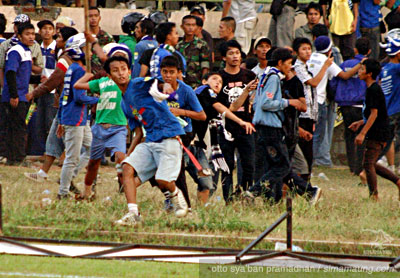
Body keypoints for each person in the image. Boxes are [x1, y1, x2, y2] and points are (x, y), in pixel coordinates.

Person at [114, 56, 188, 226]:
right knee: (127, 168)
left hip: (169, 137)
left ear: (129, 71)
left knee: (163, 181)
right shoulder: (124, 103)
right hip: (150, 141)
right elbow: (138, 132)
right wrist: (128, 155)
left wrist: (166, 86)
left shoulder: (138, 84)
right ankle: (133, 214)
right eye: (115, 70)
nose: (120, 73)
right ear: (110, 76)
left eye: (123, 69)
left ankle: (176, 194)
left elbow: (158, 82)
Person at [190, 72, 255, 204]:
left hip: (201, 142)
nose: (218, 83)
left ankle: (200, 206)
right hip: (189, 139)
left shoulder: (213, 97)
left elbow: (232, 107)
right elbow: (220, 108)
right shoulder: (203, 90)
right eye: (214, 79)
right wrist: (240, 121)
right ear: (204, 81)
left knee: (206, 177)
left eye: (220, 82)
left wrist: (245, 91)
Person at [251, 48, 304, 203]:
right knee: (283, 165)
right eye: (288, 64)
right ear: (280, 63)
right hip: (270, 127)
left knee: (273, 164)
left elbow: (255, 103)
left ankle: (272, 199)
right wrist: (288, 102)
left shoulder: (264, 76)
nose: (290, 67)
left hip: (262, 126)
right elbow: (265, 103)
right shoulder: (273, 78)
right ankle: (253, 192)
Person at [349, 59, 400, 201]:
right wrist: (360, 123)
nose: (359, 72)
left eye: (362, 69)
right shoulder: (371, 89)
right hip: (377, 129)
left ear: (370, 74)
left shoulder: (374, 89)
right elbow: (372, 112)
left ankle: (374, 195)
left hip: (378, 131)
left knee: (368, 164)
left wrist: (362, 133)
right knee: (370, 163)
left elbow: (374, 114)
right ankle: (397, 181)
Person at [308, 36, 362, 167]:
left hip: (306, 100)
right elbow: (344, 75)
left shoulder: (310, 57)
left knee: (309, 132)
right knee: (319, 134)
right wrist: (360, 64)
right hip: (319, 100)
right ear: (329, 50)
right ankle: (311, 162)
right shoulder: (326, 61)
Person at [57, 33, 99, 199]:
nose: (90, 52)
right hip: (75, 119)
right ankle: (63, 192)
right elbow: (79, 97)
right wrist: (97, 98)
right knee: (72, 157)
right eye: (85, 48)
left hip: (77, 118)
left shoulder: (72, 69)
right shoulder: (79, 71)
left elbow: (63, 97)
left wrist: (60, 119)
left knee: (92, 148)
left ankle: (69, 177)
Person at [216, 40, 258, 203]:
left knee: (248, 164)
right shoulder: (219, 77)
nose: (234, 56)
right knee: (226, 166)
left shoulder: (249, 76)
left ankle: (245, 194)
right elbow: (226, 107)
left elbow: (255, 99)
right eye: (230, 53)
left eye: (237, 53)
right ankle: (228, 199)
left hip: (247, 125)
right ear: (224, 57)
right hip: (226, 126)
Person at [330, 38, 370, 178]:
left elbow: (334, 83)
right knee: (361, 136)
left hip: (345, 105)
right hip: (361, 104)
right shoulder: (369, 65)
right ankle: (359, 168)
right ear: (369, 51)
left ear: (355, 50)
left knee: (349, 136)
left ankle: (352, 167)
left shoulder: (345, 64)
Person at [292, 37, 331, 182]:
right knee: (305, 150)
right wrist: (325, 66)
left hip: (310, 114)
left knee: (309, 149)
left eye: (309, 49)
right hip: (303, 114)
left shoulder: (306, 66)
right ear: (297, 52)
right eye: (304, 49)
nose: (307, 52)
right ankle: (303, 181)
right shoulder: (298, 67)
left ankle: (305, 180)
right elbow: (314, 83)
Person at [1, 23, 36, 166]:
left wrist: (39, 79)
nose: (31, 37)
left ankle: (14, 157)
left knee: (17, 126)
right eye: (28, 34)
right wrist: (14, 95)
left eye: (33, 34)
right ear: (20, 36)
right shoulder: (15, 51)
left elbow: (24, 74)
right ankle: (17, 158)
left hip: (22, 95)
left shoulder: (27, 51)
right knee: (17, 127)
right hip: (16, 96)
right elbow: (10, 73)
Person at [37, 20, 57, 150]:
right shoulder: (36, 48)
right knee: (40, 122)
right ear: (40, 31)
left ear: (54, 31)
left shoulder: (57, 48)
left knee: (51, 121)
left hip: (52, 90)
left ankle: (54, 151)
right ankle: (44, 150)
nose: (47, 31)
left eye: (50, 28)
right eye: (44, 28)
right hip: (39, 89)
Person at [176, 15, 210, 89]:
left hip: (197, 83)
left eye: (193, 25)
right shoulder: (178, 45)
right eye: (188, 25)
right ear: (182, 26)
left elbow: (205, 66)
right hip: (181, 83)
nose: (191, 28)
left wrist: (202, 84)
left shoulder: (202, 44)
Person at [88, 7, 115, 74]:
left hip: (104, 75)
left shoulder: (107, 37)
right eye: (90, 16)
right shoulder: (82, 37)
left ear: (99, 18)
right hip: (87, 75)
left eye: (96, 16)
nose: (93, 18)